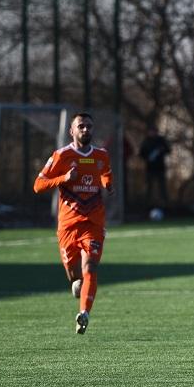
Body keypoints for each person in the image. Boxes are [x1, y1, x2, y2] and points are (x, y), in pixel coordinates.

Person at [33, 112, 114, 334]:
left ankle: (84, 313)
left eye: (89, 126)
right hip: (68, 226)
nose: (86, 130)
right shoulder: (61, 156)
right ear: (72, 131)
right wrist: (64, 179)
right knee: (74, 277)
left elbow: (106, 172)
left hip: (93, 223)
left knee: (91, 268)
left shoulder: (101, 155)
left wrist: (108, 184)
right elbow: (38, 185)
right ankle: (78, 285)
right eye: (81, 126)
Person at [139, 127, 170, 207]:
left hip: (160, 168)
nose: (153, 133)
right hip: (150, 168)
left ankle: (165, 204)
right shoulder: (146, 141)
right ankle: (147, 204)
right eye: (151, 131)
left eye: (154, 131)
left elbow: (168, 150)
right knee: (149, 187)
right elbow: (141, 153)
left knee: (162, 187)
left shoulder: (161, 140)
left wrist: (162, 150)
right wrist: (147, 157)